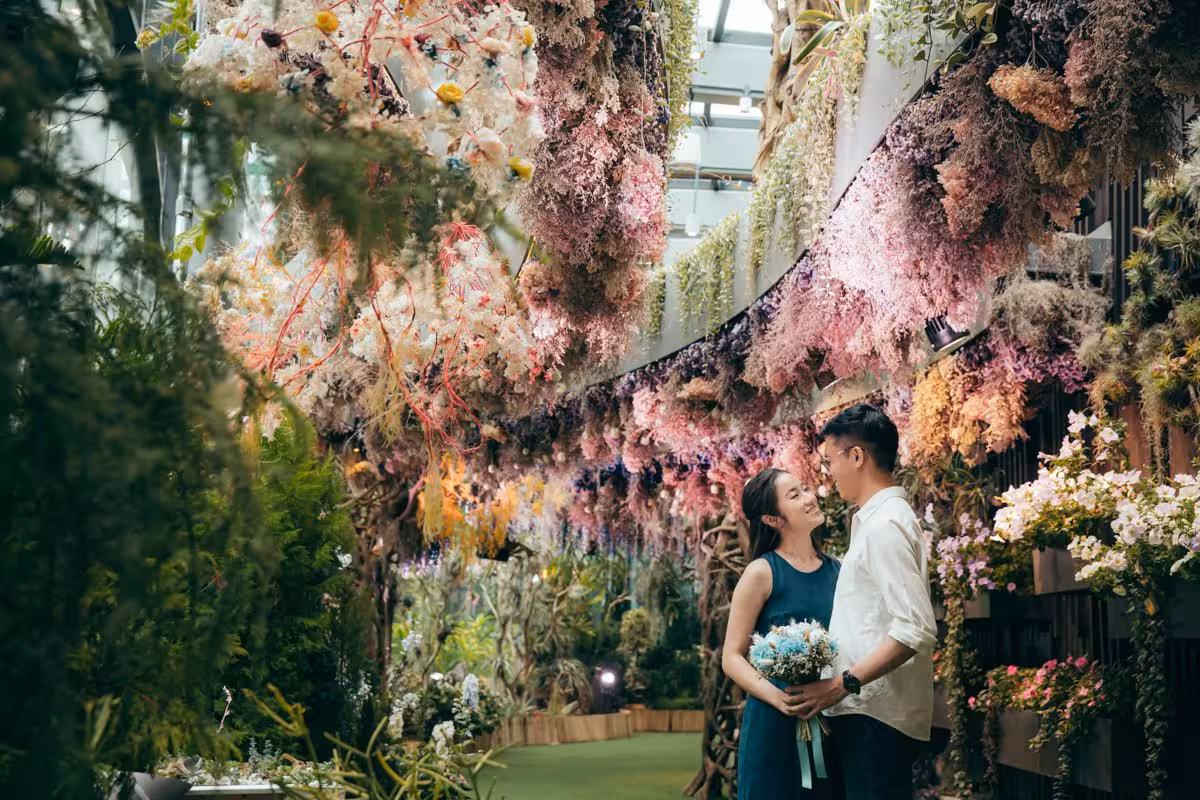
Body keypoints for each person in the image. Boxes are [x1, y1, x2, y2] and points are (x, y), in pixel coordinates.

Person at [788, 404, 937, 799]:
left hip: (874, 715)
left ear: (857, 457)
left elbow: (915, 627)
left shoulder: (886, 524)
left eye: (828, 460)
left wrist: (843, 684)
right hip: (866, 713)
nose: (827, 473)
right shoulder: (874, 521)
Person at [723, 467, 841, 800]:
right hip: (773, 720)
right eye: (795, 495)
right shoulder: (762, 572)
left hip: (828, 718)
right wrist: (778, 698)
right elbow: (731, 657)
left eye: (805, 489)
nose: (810, 497)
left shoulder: (839, 572)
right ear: (773, 519)